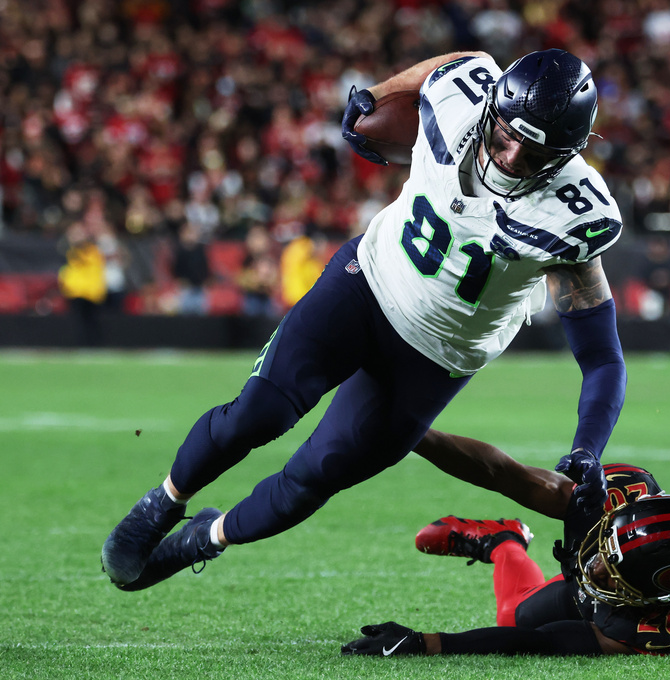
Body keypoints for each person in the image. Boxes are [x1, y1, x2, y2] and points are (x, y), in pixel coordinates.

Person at [100, 49, 626, 592]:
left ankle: (203, 538)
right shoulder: (462, 98)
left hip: (433, 358)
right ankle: (162, 503)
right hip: (366, 280)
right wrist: (375, 95)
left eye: (534, 153)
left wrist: (587, 450)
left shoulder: (573, 215)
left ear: (568, 154)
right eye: (506, 136)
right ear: (492, 108)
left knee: (312, 477)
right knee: (257, 412)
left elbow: (602, 358)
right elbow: (460, 61)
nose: (512, 157)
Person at [340, 453, 670, 656]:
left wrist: (427, 643)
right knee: (520, 611)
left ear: (650, 592)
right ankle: (504, 540)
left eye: (608, 563)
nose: (593, 564)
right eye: (605, 549)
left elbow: (543, 643)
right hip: (646, 584)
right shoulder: (627, 540)